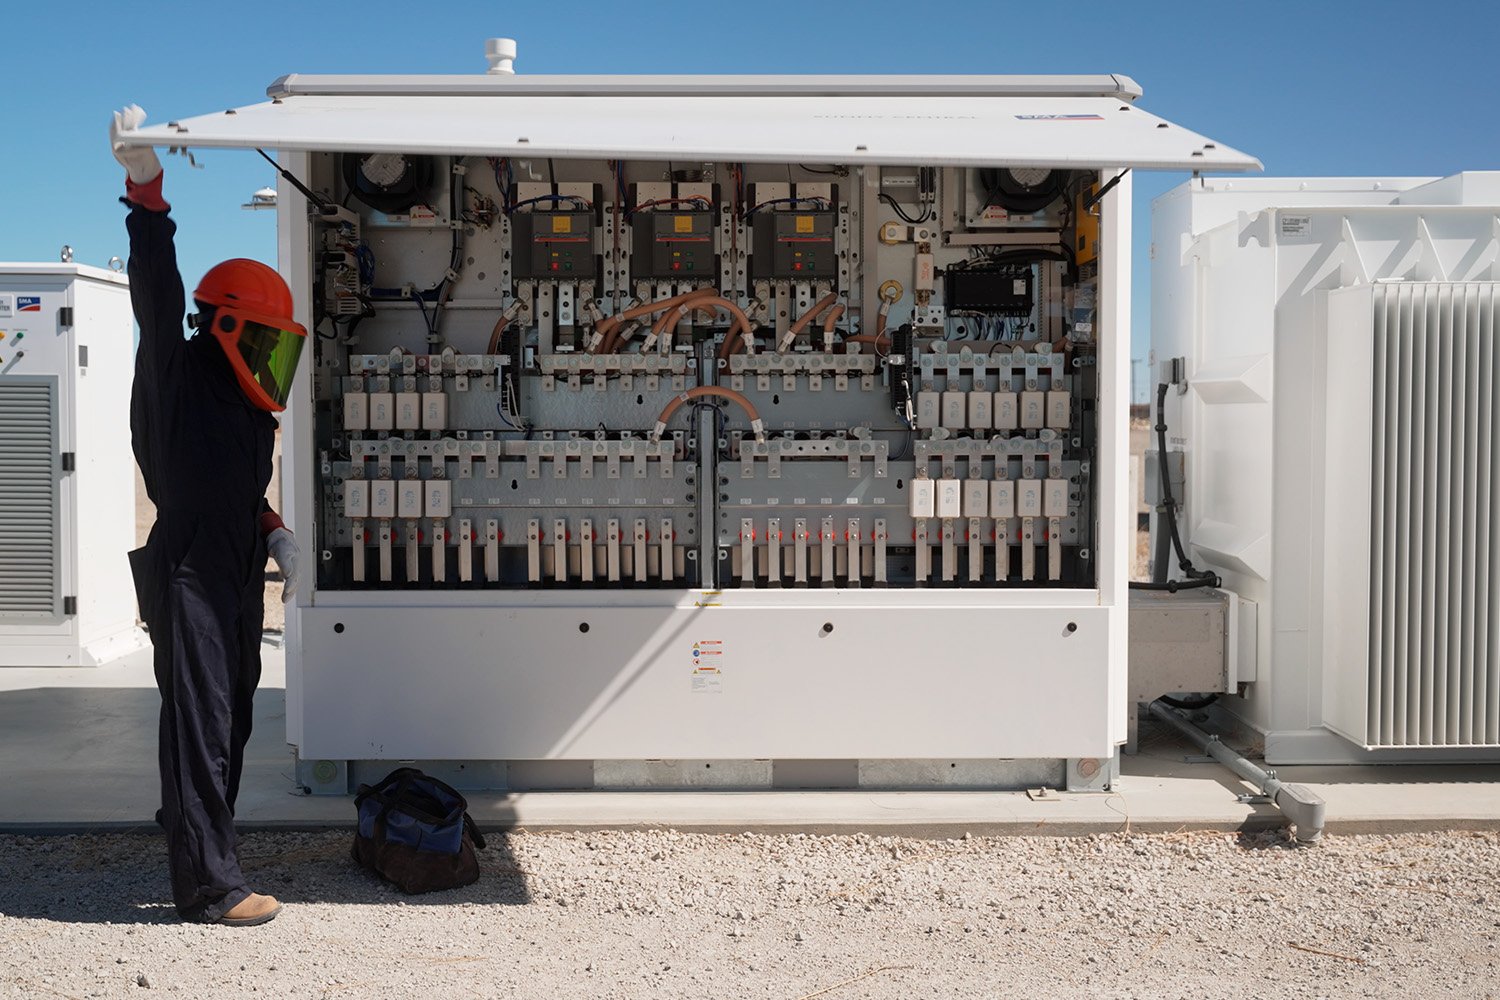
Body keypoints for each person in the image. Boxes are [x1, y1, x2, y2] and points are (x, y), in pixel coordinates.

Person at [113, 105, 304, 926]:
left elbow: (237, 488)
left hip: (233, 560)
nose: (269, 357)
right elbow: (157, 293)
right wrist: (147, 189)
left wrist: (276, 534)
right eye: (260, 338)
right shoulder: (178, 372)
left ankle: (199, 834)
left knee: (235, 708)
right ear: (225, 323)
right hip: (188, 562)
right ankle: (210, 885)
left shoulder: (243, 405)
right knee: (202, 716)